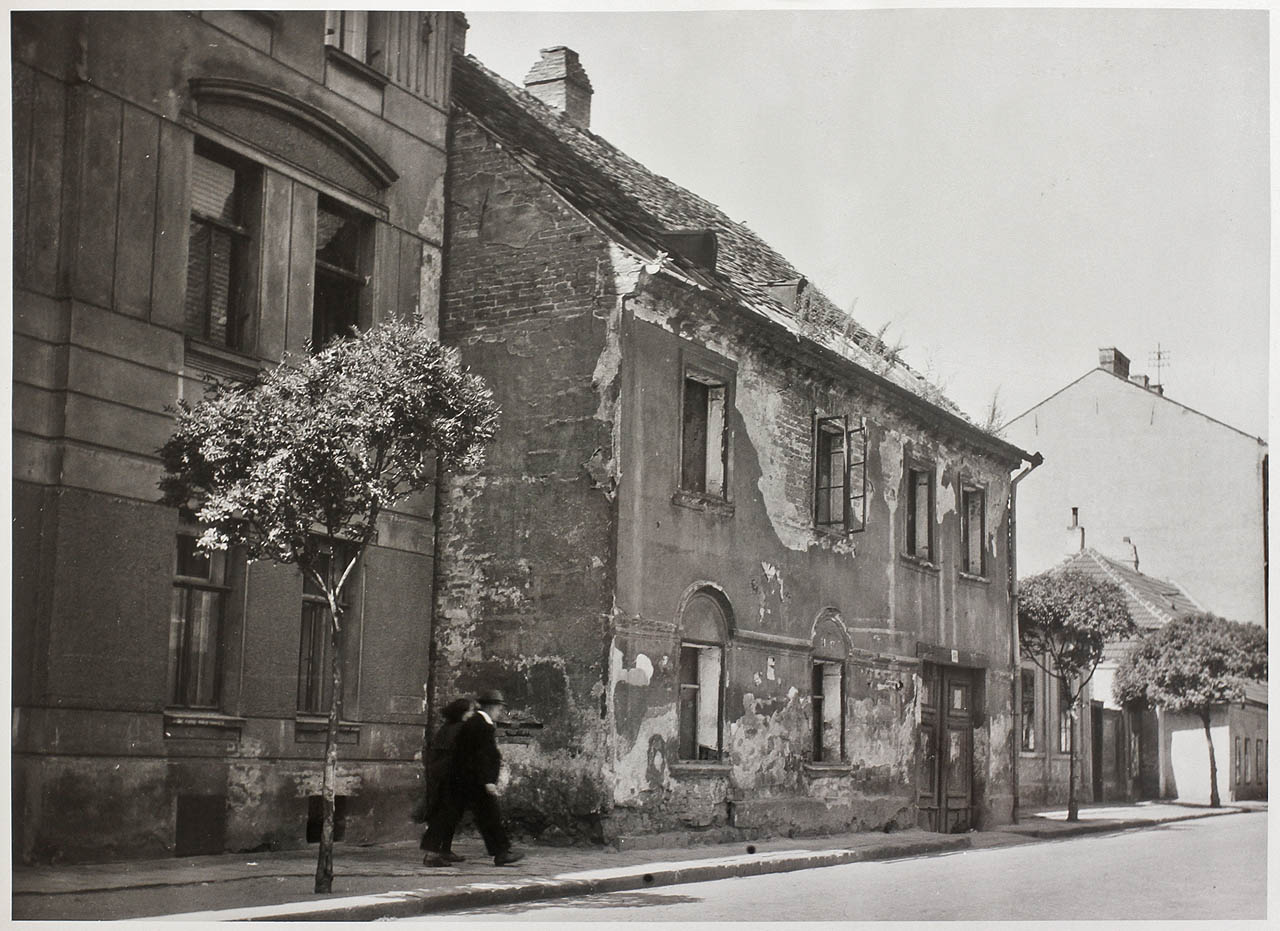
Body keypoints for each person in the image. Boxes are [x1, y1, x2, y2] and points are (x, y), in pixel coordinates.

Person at [451, 689, 525, 866]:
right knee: (489, 815)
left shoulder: (479, 722)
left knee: (478, 815)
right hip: (477, 780)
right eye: (499, 707)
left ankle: (500, 851)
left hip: (470, 778)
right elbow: (482, 755)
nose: (500, 711)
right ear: (491, 707)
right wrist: (488, 781)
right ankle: (501, 852)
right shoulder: (482, 724)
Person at [419, 697, 473, 867]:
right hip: (449, 778)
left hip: (443, 777)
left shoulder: (447, 728)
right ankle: (432, 855)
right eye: (470, 711)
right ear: (462, 713)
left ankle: (445, 850)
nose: (472, 714)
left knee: (451, 815)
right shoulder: (459, 729)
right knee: (443, 815)